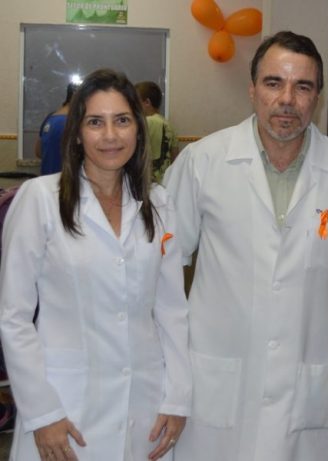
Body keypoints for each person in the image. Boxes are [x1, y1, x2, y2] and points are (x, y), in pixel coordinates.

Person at [162, 31, 328, 461]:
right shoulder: (203, 162)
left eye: (303, 87)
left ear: (317, 97)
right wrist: (163, 361)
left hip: (304, 380)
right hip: (216, 378)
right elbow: (164, 264)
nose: (287, 99)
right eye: (273, 83)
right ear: (252, 90)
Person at [0, 68, 191, 461]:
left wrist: (177, 397)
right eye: (95, 122)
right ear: (77, 133)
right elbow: (13, 317)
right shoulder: (40, 200)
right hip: (65, 408)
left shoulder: (158, 203)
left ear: (138, 129)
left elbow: (172, 309)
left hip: (144, 406)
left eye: (122, 120)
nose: (110, 136)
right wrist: (42, 413)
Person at [134, 81, 179, 183]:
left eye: (136, 102)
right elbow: (175, 155)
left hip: (148, 181)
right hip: (165, 181)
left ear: (147, 102)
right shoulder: (168, 125)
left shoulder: (147, 122)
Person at [35, 82, 78, 176]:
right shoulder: (73, 122)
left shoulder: (50, 118)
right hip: (65, 180)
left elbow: (38, 152)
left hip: (46, 178)